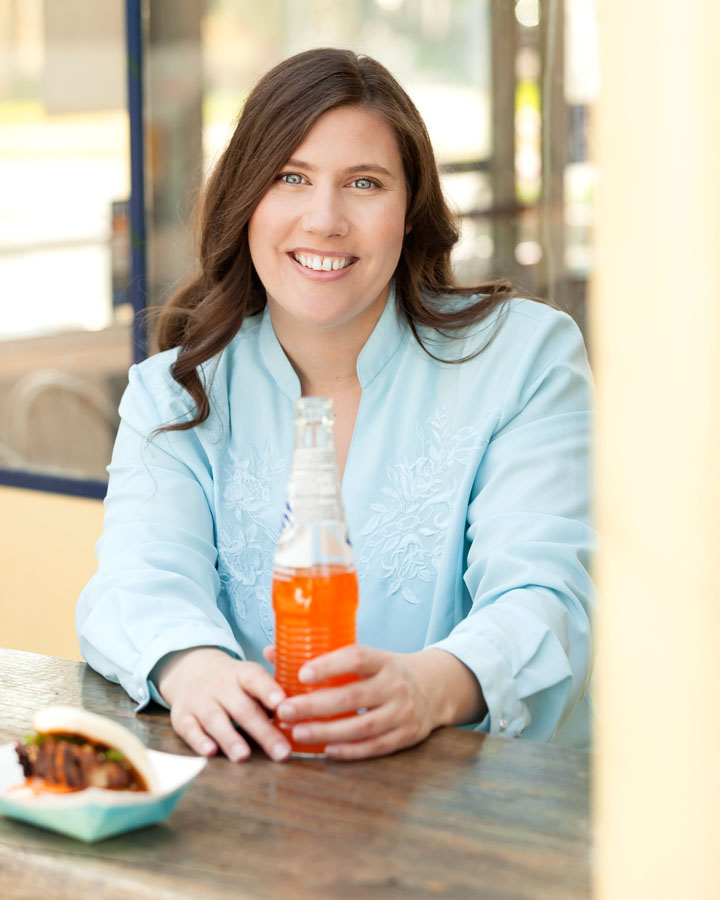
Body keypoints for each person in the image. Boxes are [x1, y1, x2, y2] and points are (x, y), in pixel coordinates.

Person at [76, 47, 595, 763]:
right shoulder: (174, 390)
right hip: (255, 808)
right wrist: (193, 668)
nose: (324, 219)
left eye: (364, 183)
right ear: (246, 200)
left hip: (485, 825)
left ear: (411, 211)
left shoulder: (525, 358)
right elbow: (135, 581)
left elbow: (551, 597)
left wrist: (431, 687)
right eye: (290, 177)